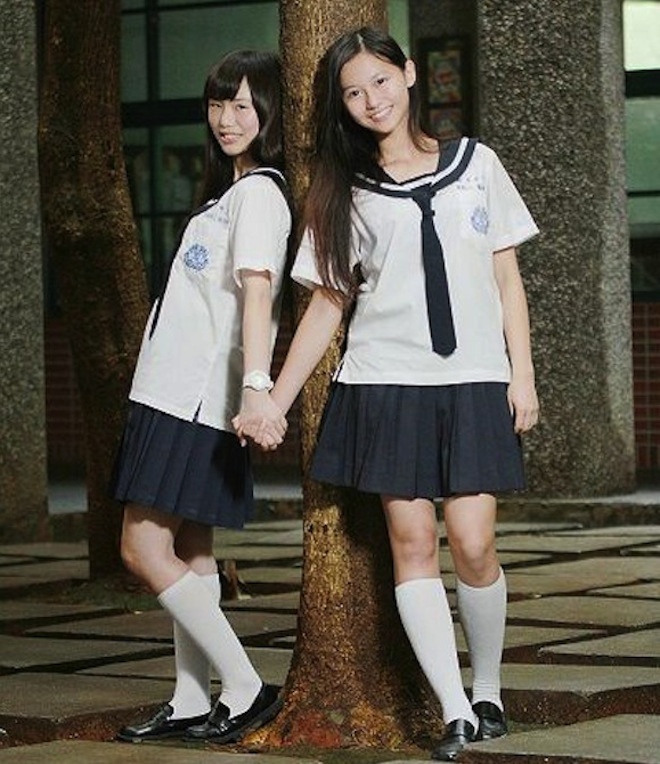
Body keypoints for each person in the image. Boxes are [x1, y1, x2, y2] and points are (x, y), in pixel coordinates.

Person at [234, 27, 539, 762]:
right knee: (413, 544)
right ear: (342, 106)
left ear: (408, 74)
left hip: (472, 380)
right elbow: (328, 305)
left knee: (475, 542)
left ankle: (489, 687)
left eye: (379, 81)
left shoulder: (477, 164)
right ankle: (455, 709)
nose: (371, 100)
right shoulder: (345, 190)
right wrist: (274, 398)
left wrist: (522, 374)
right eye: (353, 93)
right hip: (386, 384)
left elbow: (506, 279)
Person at [111, 49, 291, 744]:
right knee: (191, 552)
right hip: (174, 393)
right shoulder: (228, 194)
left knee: (140, 547)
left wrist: (256, 389)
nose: (227, 118)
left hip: (193, 400)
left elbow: (258, 293)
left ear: (269, 113)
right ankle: (190, 699)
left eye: (243, 105)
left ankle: (243, 684)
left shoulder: (260, 194)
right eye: (218, 104)